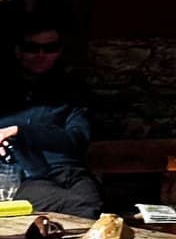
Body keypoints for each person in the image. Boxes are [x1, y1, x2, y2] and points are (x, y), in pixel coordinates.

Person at [0, 19, 103, 218]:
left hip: (70, 172)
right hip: (26, 177)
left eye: (50, 48)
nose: (41, 55)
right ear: (18, 51)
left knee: (92, 204)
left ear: (60, 51)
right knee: (80, 206)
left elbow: (76, 139)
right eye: (32, 48)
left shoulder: (71, 91)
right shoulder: (5, 89)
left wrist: (22, 130)